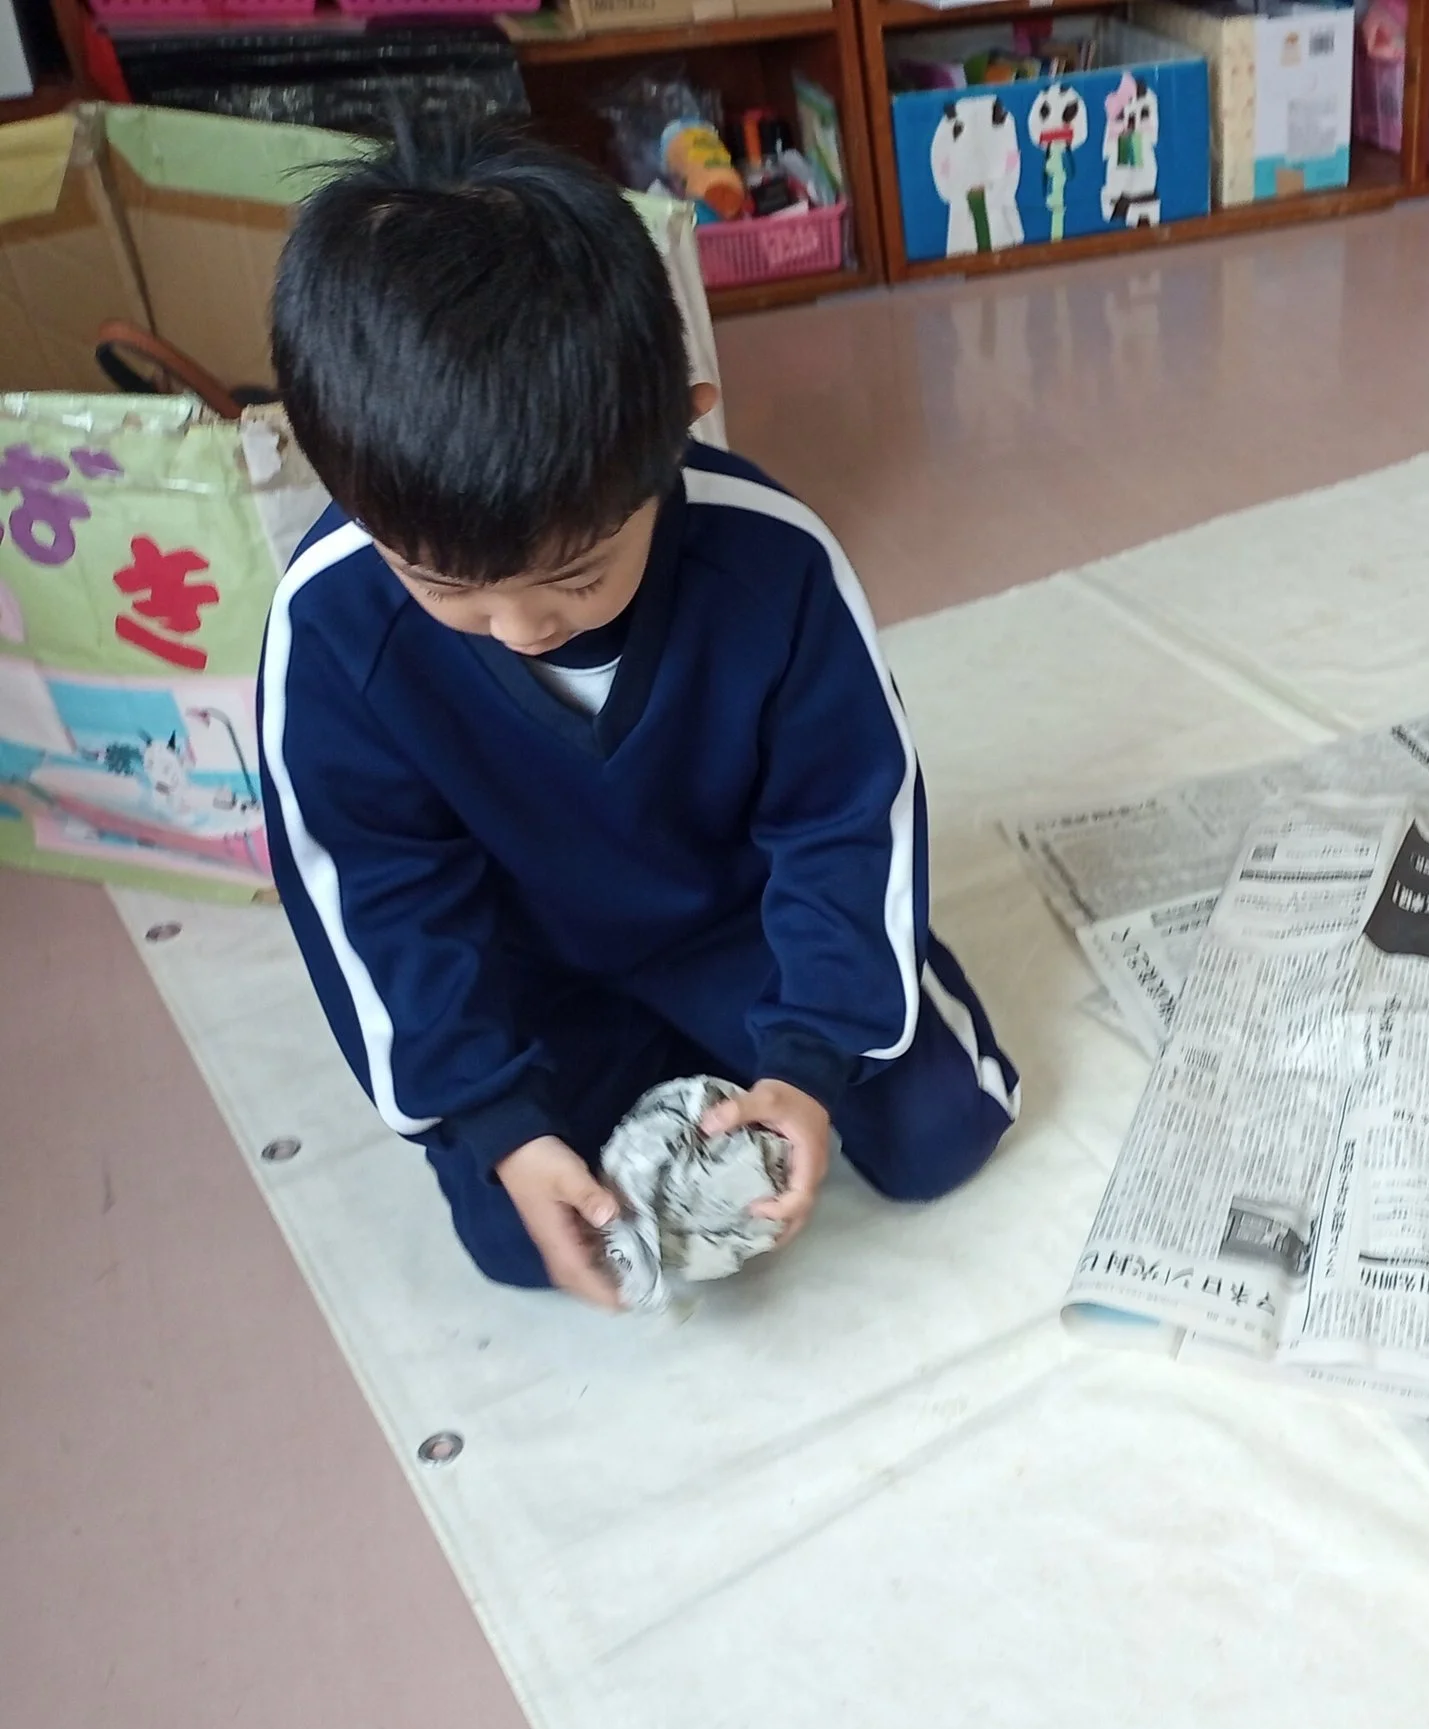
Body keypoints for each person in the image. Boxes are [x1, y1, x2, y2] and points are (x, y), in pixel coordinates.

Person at [257, 129, 1019, 1307]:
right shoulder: (330, 627)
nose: (519, 627)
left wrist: (810, 1056)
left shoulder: (771, 562)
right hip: (532, 969)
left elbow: (845, 816)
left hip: (738, 924)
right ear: (346, 488)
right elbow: (378, 898)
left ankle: (777, 1031)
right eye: (447, 587)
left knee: (939, 1132)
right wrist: (500, 1118)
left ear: (680, 430)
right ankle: (638, 1067)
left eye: (575, 577)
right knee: (521, 1237)